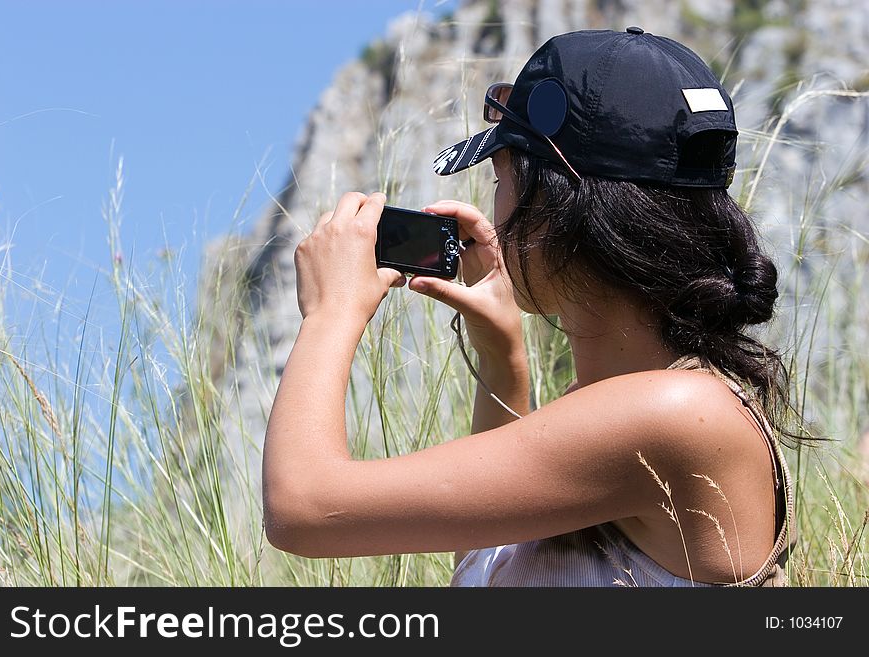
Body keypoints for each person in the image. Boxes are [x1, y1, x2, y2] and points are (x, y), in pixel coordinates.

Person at [262, 27, 799, 586]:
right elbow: (489, 563)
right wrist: (502, 359)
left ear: (550, 200)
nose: (494, 210)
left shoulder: (675, 412)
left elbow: (302, 508)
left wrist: (330, 314)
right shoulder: (644, 405)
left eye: (499, 178)